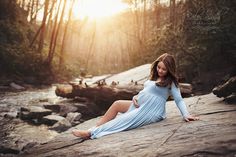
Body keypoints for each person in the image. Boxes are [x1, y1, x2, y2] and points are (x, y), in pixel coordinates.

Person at [72, 53, 199, 139]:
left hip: (151, 111)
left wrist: (185, 114)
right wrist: (136, 97)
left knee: (122, 121)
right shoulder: (154, 77)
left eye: (164, 69)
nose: (160, 71)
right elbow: (146, 92)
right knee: (117, 104)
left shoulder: (171, 82)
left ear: (169, 70)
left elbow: (179, 100)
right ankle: (97, 126)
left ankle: (91, 133)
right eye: (158, 67)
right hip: (139, 104)